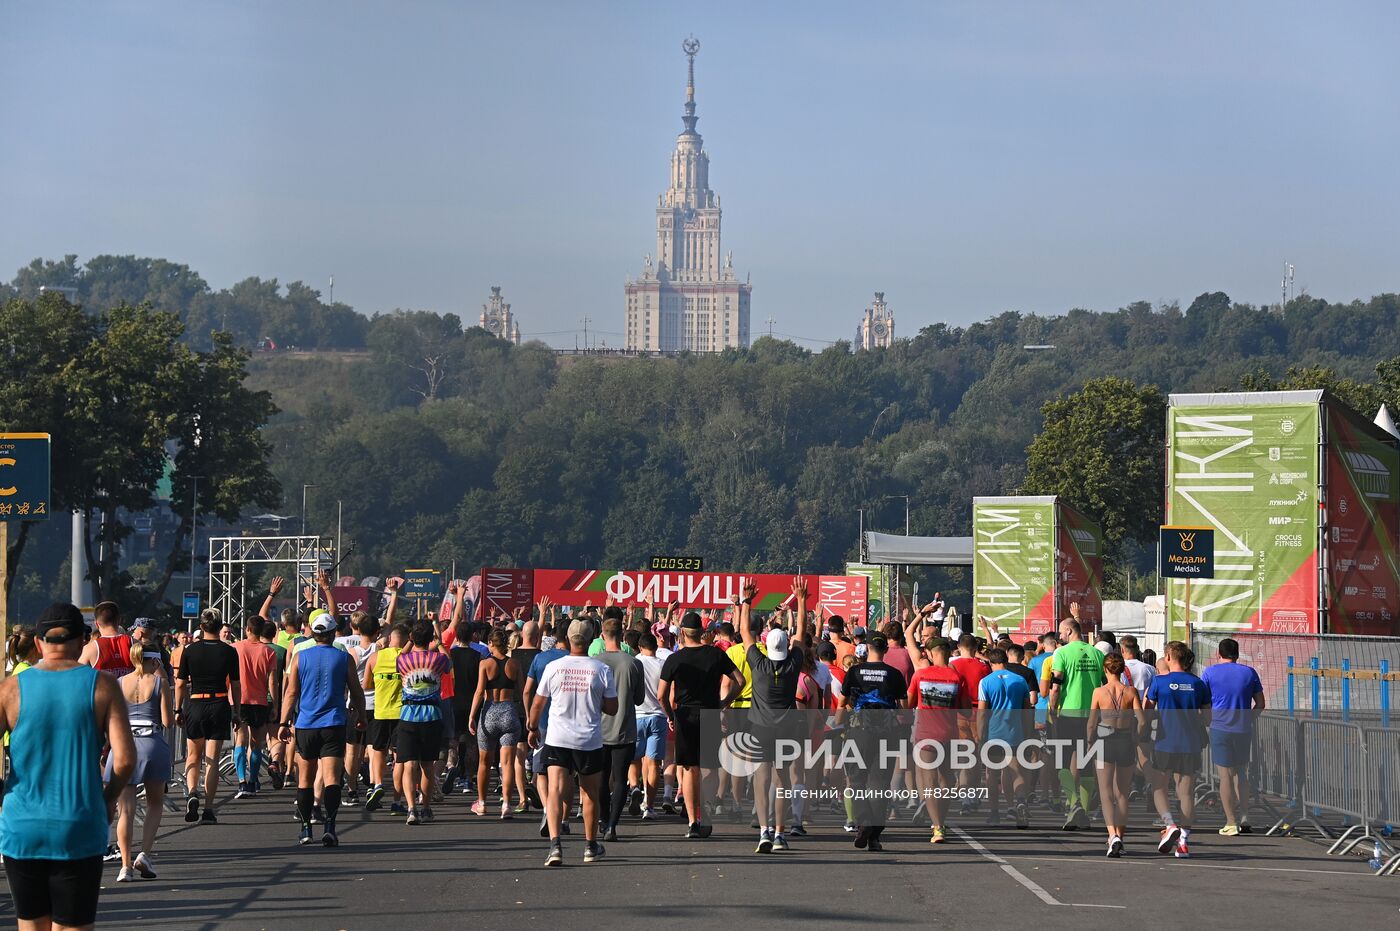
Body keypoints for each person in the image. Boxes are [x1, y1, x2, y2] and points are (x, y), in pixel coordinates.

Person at [0, 603, 135, 931]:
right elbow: (126, 758)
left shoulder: (11, 690)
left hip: (22, 826)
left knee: (30, 925)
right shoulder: (102, 685)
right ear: (82, 640)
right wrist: (107, 799)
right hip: (79, 821)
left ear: (38, 644)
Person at [528, 619, 618, 866]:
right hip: (588, 739)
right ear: (590, 642)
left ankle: (555, 845)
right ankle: (590, 845)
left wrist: (532, 728)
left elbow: (538, 703)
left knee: (556, 790)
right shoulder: (600, 669)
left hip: (558, 737)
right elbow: (612, 707)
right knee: (589, 793)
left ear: (567, 639)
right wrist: (596, 698)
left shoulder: (554, 667)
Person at [279, 611, 366, 847]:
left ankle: (306, 828)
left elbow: (291, 693)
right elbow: (356, 691)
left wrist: (283, 722)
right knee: (331, 780)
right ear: (331, 633)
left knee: (305, 781)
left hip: (306, 724)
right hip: (334, 723)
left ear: (314, 633)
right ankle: (330, 826)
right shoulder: (344, 657)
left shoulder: (299, 657)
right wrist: (361, 716)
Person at [658, 612, 744, 839]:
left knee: (688, 769)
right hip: (710, 713)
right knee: (710, 767)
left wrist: (670, 714)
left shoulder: (675, 659)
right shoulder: (716, 654)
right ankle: (705, 812)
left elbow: (661, 695)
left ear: (683, 632)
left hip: (685, 715)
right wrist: (725, 701)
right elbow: (740, 680)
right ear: (703, 632)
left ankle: (691, 820)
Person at [743, 580, 807, 854]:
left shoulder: (758, 664)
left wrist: (746, 601)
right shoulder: (794, 665)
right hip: (788, 727)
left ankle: (764, 831)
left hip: (760, 727)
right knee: (783, 780)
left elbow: (745, 631)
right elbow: (801, 633)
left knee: (762, 777)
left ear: (766, 645)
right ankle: (780, 832)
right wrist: (801, 600)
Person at [111, 640, 174, 881]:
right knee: (154, 803)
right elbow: (167, 721)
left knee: (124, 810)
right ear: (155, 660)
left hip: (125, 744)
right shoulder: (160, 683)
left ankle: (125, 865)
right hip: (151, 743)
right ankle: (144, 854)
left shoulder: (118, 682)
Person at [1145, 641, 1212, 859]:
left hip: (1165, 742)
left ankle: (1169, 823)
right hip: (1190, 743)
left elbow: (1147, 711)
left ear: (1169, 657)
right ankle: (1183, 842)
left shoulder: (1159, 681)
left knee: (1158, 787)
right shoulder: (1199, 683)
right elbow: (1207, 718)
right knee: (1186, 793)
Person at [840, 633, 906, 851]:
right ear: (885, 649)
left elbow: (843, 702)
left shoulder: (854, 672)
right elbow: (904, 709)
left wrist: (839, 724)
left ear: (867, 648)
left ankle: (864, 822)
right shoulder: (895, 674)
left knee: (856, 779)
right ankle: (875, 836)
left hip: (859, 730)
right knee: (880, 783)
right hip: (887, 731)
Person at [176, 608, 242, 825]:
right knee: (211, 760)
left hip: (196, 702)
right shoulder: (229, 651)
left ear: (201, 627)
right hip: (219, 703)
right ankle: (208, 808)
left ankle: (192, 792)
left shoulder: (189, 650)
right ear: (220, 625)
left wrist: (178, 709)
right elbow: (235, 683)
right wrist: (237, 711)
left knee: (192, 756)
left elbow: (180, 683)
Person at [1043, 615, 1104, 829]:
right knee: (1086, 765)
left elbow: (1056, 685)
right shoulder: (1097, 653)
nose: (1059, 636)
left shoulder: (1062, 653)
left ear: (1069, 631)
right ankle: (1083, 814)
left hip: (1067, 714)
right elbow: (1103, 684)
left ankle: (1073, 803)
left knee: (1062, 763)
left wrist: (1052, 708)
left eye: (1061, 632)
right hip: (1092, 716)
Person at [1200, 637, 1265, 836]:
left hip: (1220, 727)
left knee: (1225, 775)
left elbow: (1204, 702)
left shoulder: (1209, 672)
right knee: (1241, 773)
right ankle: (1245, 816)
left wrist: (1207, 720)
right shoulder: (1249, 672)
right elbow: (1260, 703)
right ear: (1236, 654)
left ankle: (1230, 821)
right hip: (1243, 729)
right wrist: (1249, 719)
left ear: (1218, 654)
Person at [1087, 652, 1145, 857]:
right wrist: (1136, 738)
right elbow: (1143, 720)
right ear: (1122, 671)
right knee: (1122, 793)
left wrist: (1089, 742)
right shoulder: (1130, 691)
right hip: (1125, 741)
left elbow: (1092, 722)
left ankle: (1112, 835)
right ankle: (1120, 834)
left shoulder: (1099, 692)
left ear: (1105, 670)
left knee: (1105, 793)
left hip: (1105, 741)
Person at [595, 614, 645, 842]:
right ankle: (613, 825)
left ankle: (604, 819)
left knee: (602, 779)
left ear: (603, 635)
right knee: (621, 778)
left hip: (598, 731)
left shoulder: (595, 662)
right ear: (622, 634)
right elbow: (638, 699)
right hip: (624, 728)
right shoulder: (634, 662)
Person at [396, 622, 452, 824]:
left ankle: (411, 808)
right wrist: (438, 642)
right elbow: (448, 662)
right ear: (430, 638)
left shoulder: (403, 660)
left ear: (411, 637)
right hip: (432, 716)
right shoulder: (438, 659)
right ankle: (426, 807)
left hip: (408, 715)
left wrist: (410, 642)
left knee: (409, 764)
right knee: (427, 765)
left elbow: (400, 656)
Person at [469, 629, 525, 819]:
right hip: (509, 711)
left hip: (490, 711)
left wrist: (472, 716)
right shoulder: (514, 664)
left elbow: (478, 692)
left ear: (491, 644)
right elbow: (523, 691)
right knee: (507, 763)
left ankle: (482, 803)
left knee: (484, 762)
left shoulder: (485, 664)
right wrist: (527, 715)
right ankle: (507, 804)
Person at [977, 647, 1034, 829]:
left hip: (993, 734)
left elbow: (982, 713)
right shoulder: (1020, 681)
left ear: (991, 663)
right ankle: (1020, 802)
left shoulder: (986, 682)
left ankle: (994, 812)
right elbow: (1027, 711)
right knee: (1016, 771)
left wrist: (980, 736)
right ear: (1005, 661)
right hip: (1015, 732)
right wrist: (1028, 733)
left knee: (991, 774)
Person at [337, 608, 382, 806]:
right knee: (373, 749)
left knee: (352, 751)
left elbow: (348, 682)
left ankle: (352, 790)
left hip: (355, 704)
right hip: (376, 704)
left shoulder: (351, 653)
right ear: (376, 633)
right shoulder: (379, 650)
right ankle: (373, 785)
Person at [365, 623, 408, 814]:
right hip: (401, 714)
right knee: (399, 758)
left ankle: (378, 784)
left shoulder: (375, 657)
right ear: (405, 640)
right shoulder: (406, 658)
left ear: (390, 639)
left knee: (378, 752)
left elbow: (366, 685)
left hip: (380, 712)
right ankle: (397, 801)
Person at [233, 617, 278, 799]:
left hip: (238, 700)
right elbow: (272, 680)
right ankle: (253, 781)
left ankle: (242, 781)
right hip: (260, 700)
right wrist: (274, 704)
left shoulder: (235, 648)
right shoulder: (268, 652)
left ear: (247, 629)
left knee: (240, 740)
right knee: (256, 743)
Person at [632, 632, 668, 819]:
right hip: (658, 716)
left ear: (639, 647)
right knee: (654, 763)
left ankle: (634, 787)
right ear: (656, 647)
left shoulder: (634, 662)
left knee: (634, 759)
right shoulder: (663, 665)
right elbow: (666, 694)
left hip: (636, 716)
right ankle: (650, 807)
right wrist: (669, 714)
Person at [80, 600, 135, 680]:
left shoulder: (89, 649)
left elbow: (80, 680)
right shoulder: (136, 644)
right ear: (119, 620)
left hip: (102, 692)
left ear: (96, 624)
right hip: (130, 692)